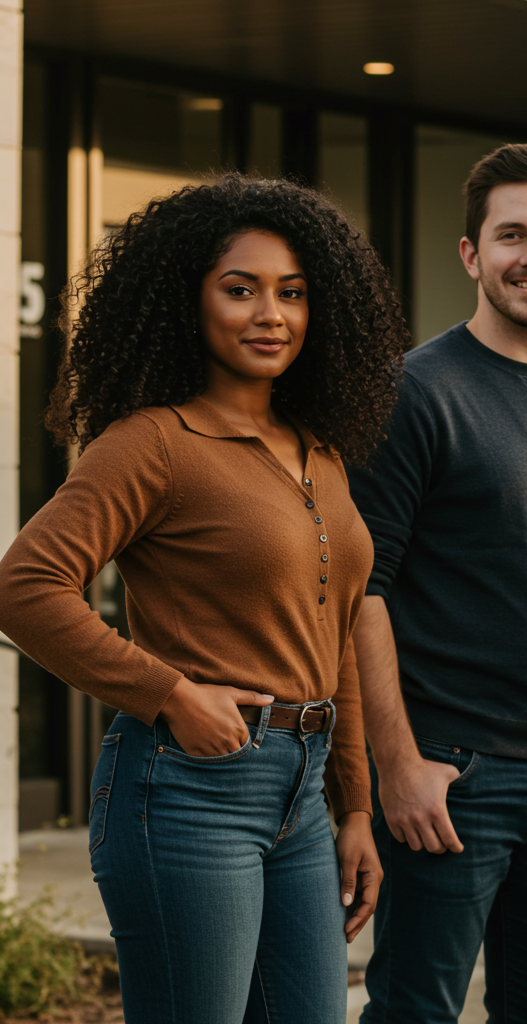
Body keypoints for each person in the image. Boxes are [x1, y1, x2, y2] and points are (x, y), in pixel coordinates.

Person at [0, 174, 409, 1024]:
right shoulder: (151, 442)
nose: (271, 315)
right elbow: (24, 587)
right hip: (187, 795)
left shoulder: (318, 451)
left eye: (292, 294)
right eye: (241, 289)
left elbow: (332, 634)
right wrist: (170, 693)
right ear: (188, 301)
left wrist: (356, 806)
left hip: (301, 800)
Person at [348, 142, 527, 1024]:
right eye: (510, 235)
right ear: (472, 254)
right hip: (457, 775)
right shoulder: (412, 392)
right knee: (414, 1011)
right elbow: (362, 592)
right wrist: (396, 767)